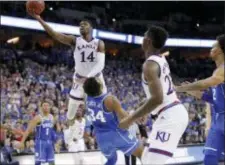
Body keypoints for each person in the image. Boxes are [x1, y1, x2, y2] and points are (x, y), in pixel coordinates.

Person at [27, 8, 107, 140]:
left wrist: (89, 77)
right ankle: (69, 134)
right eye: (80, 25)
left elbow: (101, 65)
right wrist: (39, 19)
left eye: (84, 24)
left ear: (91, 28)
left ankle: (100, 137)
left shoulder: (99, 43)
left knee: (100, 111)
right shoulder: (75, 41)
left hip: (96, 80)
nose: (81, 26)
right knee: (70, 113)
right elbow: (54, 34)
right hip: (80, 80)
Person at [119, 26, 189, 164]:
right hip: (170, 112)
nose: (142, 39)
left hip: (170, 115)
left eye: (144, 36)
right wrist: (144, 108)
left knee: (151, 162)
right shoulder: (160, 60)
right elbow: (158, 94)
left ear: (148, 41)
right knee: (147, 159)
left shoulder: (150, 65)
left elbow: (158, 98)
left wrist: (130, 119)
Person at [176, 33, 225, 164]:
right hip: (218, 122)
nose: (210, 50)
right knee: (209, 158)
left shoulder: (223, 70)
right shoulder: (217, 71)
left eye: (213, 47)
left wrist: (181, 88)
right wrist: (191, 91)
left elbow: (205, 83)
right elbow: (212, 98)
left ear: (220, 50)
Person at [83, 77, 143, 165]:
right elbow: (126, 117)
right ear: (99, 86)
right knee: (143, 154)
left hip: (100, 138)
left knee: (112, 161)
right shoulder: (109, 100)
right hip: (116, 134)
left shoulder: (87, 99)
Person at [18, 100, 55, 165]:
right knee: (38, 162)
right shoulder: (37, 118)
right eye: (44, 105)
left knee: (52, 162)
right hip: (40, 142)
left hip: (49, 142)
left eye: (47, 105)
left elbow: (51, 131)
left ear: (50, 107)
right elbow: (28, 130)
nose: (46, 107)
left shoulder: (51, 117)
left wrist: (55, 142)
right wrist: (22, 142)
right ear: (41, 107)